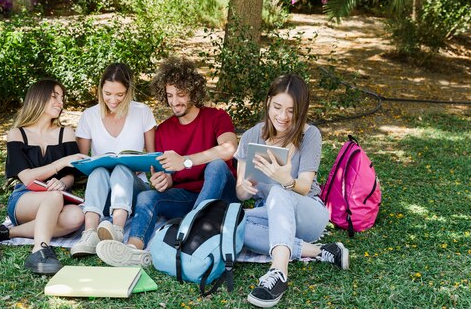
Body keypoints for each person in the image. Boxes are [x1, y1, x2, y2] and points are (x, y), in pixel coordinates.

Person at [95, 56, 238, 267]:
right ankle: (133, 249)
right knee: (146, 196)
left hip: (220, 198)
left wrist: (186, 161)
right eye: (170, 95)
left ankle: (187, 232)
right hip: (187, 198)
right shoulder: (163, 130)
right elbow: (169, 174)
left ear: (194, 92)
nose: (174, 101)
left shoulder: (216, 117)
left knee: (216, 165)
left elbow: (229, 148)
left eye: (181, 94)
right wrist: (166, 180)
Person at [234, 74, 349, 308]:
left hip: (308, 213)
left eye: (291, 110)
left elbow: (305, 186)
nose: (283, 117)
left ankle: (278, 274)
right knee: (232, 223)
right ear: (268, 102)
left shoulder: (310, 135)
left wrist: (285, 180)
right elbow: (240, 194)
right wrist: (246, 187)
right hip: (272, 216)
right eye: (277, 107)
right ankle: (319, 251)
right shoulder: (251, 136)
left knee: (279, 192)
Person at [0, 78, 87, 275]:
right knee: (54, 196)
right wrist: (60, 163)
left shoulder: (65, 132)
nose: (61, 102)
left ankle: (7, 232)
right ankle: (40, 250)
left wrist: (62, 182)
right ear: (38, 99)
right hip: (25, 198)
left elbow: (70, 175)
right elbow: (27, 177)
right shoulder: (17, 134)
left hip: (58, 197)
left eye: (62, 97)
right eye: (54, 97)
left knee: (76, 216)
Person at [69, 63, 156, 257]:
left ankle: (116, 231)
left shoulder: (142, 112)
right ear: (100, 89)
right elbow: (83, 165)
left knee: (121, 169)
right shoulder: (89, 115)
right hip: (101, 192)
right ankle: (89, 234)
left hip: (134, 189)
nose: (113, 100)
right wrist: (93, 163)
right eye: (108, 93)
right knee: (99, 170)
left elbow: (152, 158)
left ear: (129, 91)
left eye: (120, 94)